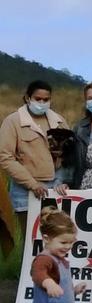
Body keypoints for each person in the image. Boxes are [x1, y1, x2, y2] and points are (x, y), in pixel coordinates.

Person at [0, 80, 72, 233]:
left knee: (55, 238)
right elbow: (5, 157)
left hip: (56, 190)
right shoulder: (13, 122)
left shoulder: (59, 121)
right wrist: (32, 184)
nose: (41, 103)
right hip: (25, 192)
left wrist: (62, 180)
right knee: (31, 240)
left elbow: (69, 155)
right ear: (27, 98)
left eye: (46, 100)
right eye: (37, 99)